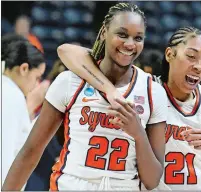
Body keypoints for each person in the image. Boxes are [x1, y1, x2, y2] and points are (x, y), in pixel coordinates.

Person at [2, 3, 167, 191]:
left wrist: (138, 134)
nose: (130, 44)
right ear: (104, 32)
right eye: (122, 34)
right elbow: (31, 151)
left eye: (138, 38)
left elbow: (152, 181)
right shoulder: (70, 81)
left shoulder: (153, 92)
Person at [56, 26, 201, 190]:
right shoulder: (146, 88)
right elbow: (67, 51)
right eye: (191, 56)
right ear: (169, 54)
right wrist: (109, 88)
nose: (199, 67)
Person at [1, 34, 46, 184]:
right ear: (24, 69)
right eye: (37, 77)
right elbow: (4, 154)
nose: (36, 85)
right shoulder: (12, 95)